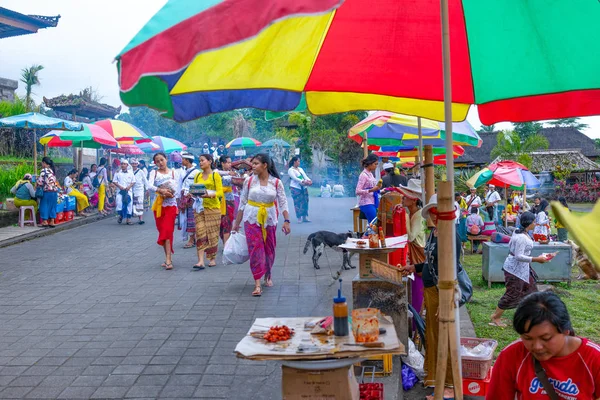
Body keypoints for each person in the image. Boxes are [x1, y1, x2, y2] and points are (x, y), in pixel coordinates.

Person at [487, 291, 600, 400]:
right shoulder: (511, 355)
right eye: (527, 338)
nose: (537, 347)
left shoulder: (594, 358)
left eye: (546, 338)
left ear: (566, 331)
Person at [420, 194, 464, 398]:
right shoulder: (434, 232)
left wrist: (445, 300)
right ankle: (435, 378)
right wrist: (414, 267)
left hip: (442, 293)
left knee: (445, 337)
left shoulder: (449, 234)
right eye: (433, 213)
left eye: (438, 213)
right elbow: (431, 261)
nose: (435, 217)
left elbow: (451, 269)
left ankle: (447, 386)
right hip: (431, 290)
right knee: (434, 335)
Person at [233, 153, 291, 296]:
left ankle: (268, 274)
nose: (252, 166)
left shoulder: (276, 182)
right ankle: (257, 282)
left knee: (269, 249)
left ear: (265, 165)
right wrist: (236, 223)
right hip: (251, 217)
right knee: (255, 248)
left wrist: (287, 221)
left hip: (270, 218)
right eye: (252, 163)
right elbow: (242, 202)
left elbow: (283, 202)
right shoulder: (249, 181)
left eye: (256, 164)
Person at [489, 211, 549, 327]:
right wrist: (537, 259)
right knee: (512, 294)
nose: (535, 223)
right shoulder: (521, 237)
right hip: (514, 270)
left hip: (523, 269)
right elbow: (519, 256)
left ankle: (531, 318)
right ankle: (495, 317)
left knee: (532, 292)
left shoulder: (520, 232)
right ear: (529, 223)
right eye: (534, 221)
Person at [397, 180, 426, 319]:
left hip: (418, 258)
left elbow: (411, 236)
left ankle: (416, 324)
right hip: (416, 256)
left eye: (405, 196)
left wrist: (404, 215)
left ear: (414, 200)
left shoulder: (418, 215)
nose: (402, 198)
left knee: (417, 295)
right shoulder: (413, 212)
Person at [148, 152, 179, 270]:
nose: (160, 163)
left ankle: (168, 259)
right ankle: (167, 256)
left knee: (168, 230)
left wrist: (171, 192)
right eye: (157, 161)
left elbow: (178, 187)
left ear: (166, 159)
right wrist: (161, 190)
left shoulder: (174, 172)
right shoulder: (154, 173)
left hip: (171, 205)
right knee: (162, 231)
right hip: (159, 206)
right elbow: (149, 185)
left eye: (162, 160)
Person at [193, 154, 223, 269]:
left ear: (210, 161)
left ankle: (212, 258)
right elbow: (195, 189)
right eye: (199, 161)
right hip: (199, 208)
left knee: (212, 233)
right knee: (200, 231)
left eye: (202, 160)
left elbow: (220, 192)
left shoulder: (215, 175)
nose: (200, 163)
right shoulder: (197, 176)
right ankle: (200, 261)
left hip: (213, 208)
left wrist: (209, 195)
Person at [178, 151, 200, 248]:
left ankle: (192, 239)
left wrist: (191, 195)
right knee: (185, 219)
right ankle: (192, 237)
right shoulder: (182, 171)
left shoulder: (196, 172)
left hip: (192, 199)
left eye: (183, 159)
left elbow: (199, 186)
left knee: (191, 219)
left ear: (187, 160)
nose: (181, 161)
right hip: (183, 198)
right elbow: (179, 185)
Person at [355, 154, 380, 223]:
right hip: (366, 203)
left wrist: (380, 189)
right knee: (374, 223)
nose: (376, 166)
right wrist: (371, 190)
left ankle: (370, 233)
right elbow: (357, 191)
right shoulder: (363, 175)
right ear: (370, 163)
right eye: (375, 164)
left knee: (373, 223)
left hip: (373, 201)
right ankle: (369, 234)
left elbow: (373, 188)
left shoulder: (371, 174)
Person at [217, 155, 236, 245]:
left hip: (229, 200)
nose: (230, 164)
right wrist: (228, 174)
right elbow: (216, 172)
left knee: (227, 222)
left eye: (230, 162)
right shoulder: (216, 173)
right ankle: (225, 242)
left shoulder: (232, 172)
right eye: (228, 162)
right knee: (220, 223)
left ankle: (226, 245)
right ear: (222, 163)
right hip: (219, 200)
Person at [287, 156, 312, 223]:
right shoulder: (290, 170)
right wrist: (303, 181)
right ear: (294, 162)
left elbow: (305, 176)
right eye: (298, 161)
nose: (299, 162)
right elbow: (295, 178)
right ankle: (299, 217)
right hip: (296, 188)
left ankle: (304, 217)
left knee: (305, 201)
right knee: (298, 202)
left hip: (304, 187)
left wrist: (309, 180)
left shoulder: (300, 169)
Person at [37, 157, 59, 228]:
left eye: (42, 163)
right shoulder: (52, 171)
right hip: (54, 191)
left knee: (44, 206)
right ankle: (52, 221)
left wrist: (36, 184)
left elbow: (40, 182)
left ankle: (45, 221)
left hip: (47, 191)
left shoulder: (43, 171)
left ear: (44, 163)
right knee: (52, 206)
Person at [112, 159, 136, 225]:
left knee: (129, 204)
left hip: (128, 191)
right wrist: (120, 187)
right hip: (120, 191)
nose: (123, 165)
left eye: (124, 164)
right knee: (119, 203)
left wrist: (129, 187)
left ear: (127, 165)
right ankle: (121, 215)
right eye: (122, 164)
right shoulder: (117, 173)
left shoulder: (131, 173)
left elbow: (133, 181)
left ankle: (128, 219)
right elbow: (114, 181)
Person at [130, 158, 148, 225]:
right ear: (131, 164)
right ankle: (126, 217)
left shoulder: (141, 172)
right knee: (129, 203)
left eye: (135, 164)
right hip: (130, 189)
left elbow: (145, 180)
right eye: (133, 164)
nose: (134, 165)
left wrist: (147, 189)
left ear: (137, 164)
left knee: (140, 203)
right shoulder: (129, 171)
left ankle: (140, 218)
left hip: (139, 189)